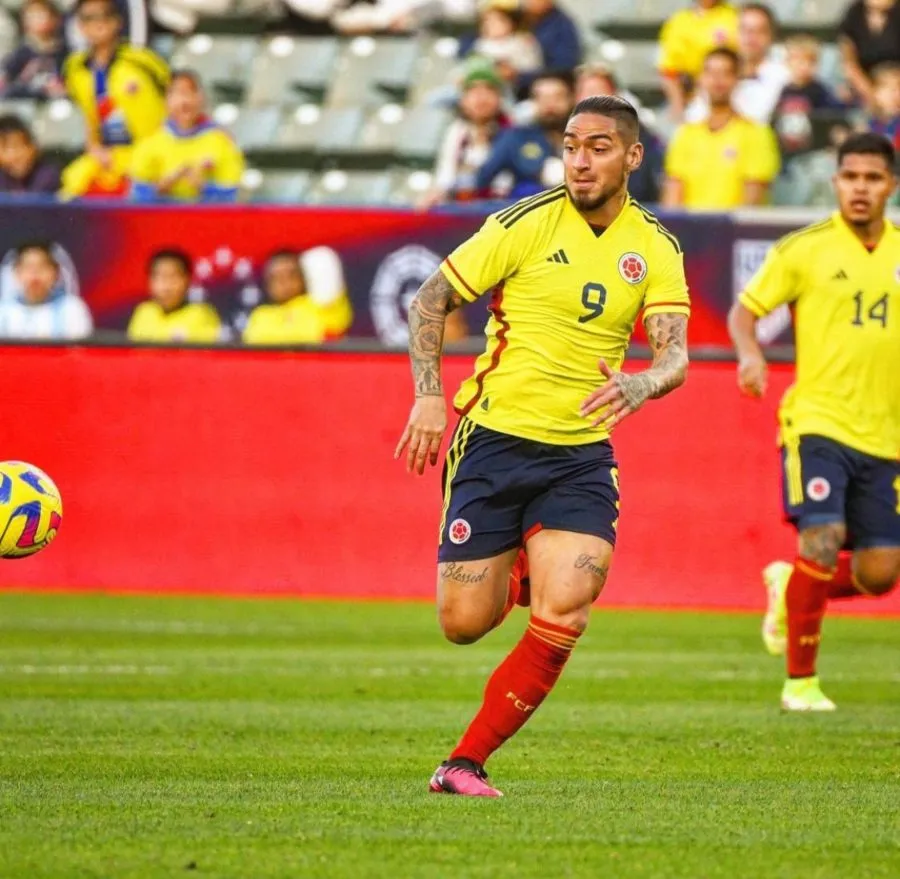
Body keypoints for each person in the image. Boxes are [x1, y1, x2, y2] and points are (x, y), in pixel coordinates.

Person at [394, 94, 690, 796]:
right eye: (570, 145)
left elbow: (675, 354)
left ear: (632, 156)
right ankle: (518, 566)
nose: (580, 160)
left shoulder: (654, 245)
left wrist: (646, 383)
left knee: (570, 608)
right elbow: (429, 300)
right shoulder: (523, 222)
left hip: (580, 454)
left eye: (597, 146)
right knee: (463, 624)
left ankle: (463, 762)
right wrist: (430, 394)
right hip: (494, 439)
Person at [727, 132, 900, 712]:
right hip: (819, 421)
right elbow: (744, 312)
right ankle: (800, 683)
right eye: (850, 177)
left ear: (891, 186)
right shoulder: (806, 248)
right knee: (822, 541)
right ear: (836, 182)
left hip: (887, 433)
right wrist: (750, 354)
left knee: (880, 574)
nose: (860, 188)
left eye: (873, 178)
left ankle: (789, 582)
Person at [61, 0, 169, 199]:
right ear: (80, 26)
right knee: (71, 184)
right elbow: (88, 117)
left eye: (104, 15)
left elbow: (173, 99)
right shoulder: (75, 69)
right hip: (108, 156)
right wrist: (95, 149)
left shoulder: (143, 61)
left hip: (152, 153)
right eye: (89, 18)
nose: (98, 23)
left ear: (117, 21)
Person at [663, 48, 780, 209]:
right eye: (711, 73)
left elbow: (752, 201)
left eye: (726, 73)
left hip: (734, 231)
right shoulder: (685, 135)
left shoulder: (756, 133)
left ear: (737, 79)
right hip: (689, 231)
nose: (717, 80)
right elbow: (673, 196)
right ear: (701, 79)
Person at [130, 70, 244, 203]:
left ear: (201, 98)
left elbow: (234, 196)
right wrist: (160, 188)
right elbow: (134, 197)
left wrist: (204, 188)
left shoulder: (222, 142)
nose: (184, 102)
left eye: (190, 93)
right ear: (166, 100)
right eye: (177, 94)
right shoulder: (149, 143)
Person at [475, 70, 573, 199]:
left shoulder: (587, 138)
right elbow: (482, 179)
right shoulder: (514, 137)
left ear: (571, 99)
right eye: (542, 98)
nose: (550, 105)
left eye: (557, 97)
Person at [575, 62, 664, 203]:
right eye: (588, 93)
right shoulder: (564, 135)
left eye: (600, 92)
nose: (594, 101)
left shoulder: (638, 138)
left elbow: (643, 187)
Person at [422, 65, 510, 206]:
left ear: (499, 99)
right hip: (466, 206)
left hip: (506, 206)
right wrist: (437, 192)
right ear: (463, 100)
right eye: (474, 93)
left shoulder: (513, 130)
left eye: (489, 91)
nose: (481, 99)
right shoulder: (457, 131)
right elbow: (446, 175)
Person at [686, 3, 788, 124]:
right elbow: (694, 117)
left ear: (771, 36)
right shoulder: (718, 73)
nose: (751, 37)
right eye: (745, 30)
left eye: (760, 31)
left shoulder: (784, 77)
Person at [243, 248, 353, 345]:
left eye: (291, 275)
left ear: (304, 277)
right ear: (267, 284)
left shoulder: (323, 307)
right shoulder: (260, 316)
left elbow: (323, 258)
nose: (284, 282)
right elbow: (256, 342)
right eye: (276, 277)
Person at [657, 0, 739, 121]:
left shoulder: (735, 17)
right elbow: (669, 71)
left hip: (732, 96)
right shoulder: (679, 22)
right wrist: (678, 109)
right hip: (694, 98)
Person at [0, 242, 92, 339]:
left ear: (56, 273)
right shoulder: (3, 310)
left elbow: (79, 349)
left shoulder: (71, 308)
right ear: (16, 273)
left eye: (42, 267)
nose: (35, 274)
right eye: (28, 267)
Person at [772, 35, 844, 158]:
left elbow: (832, 114)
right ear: (788, 62)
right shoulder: (784, 90)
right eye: (798, 61)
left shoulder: (819, 90)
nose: (803, 66)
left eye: (810, 61)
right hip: (787, 146)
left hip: (813, 149)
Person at [127, 249, 221, 343]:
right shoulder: (143, 312)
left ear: (188, 280)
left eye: (173, 277)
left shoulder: (202, 314)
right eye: (160, 278)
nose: (166, 287)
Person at [839, 0, 900, 109]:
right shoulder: (854, 13)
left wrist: (893, 90)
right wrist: (870, 93)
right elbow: (849, 62)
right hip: (865, 85)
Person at [0, 0, 67, 100]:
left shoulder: (63, 52)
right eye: (32, 16)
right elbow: (6, 78)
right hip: (25, 102)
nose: (38, 19)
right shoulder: (21, 53)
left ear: (55, 18)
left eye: (41, 14)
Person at [470, 3, 542, 86]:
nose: (491, 25)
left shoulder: (524, 41)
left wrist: (514, 73)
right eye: (486, 21)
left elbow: (534, 70)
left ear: (510, 23)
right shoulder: (479, 45)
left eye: (497, 20)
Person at [0, 114, 61, 196]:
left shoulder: (48, 176)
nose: (14, 156)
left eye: (19, 146)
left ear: (33, 148)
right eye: (6, 148)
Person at [867, 62, 900, 149]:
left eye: (899, 88)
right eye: (890, 89)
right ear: (875, 93)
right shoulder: (869, 122)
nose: (896, 94)